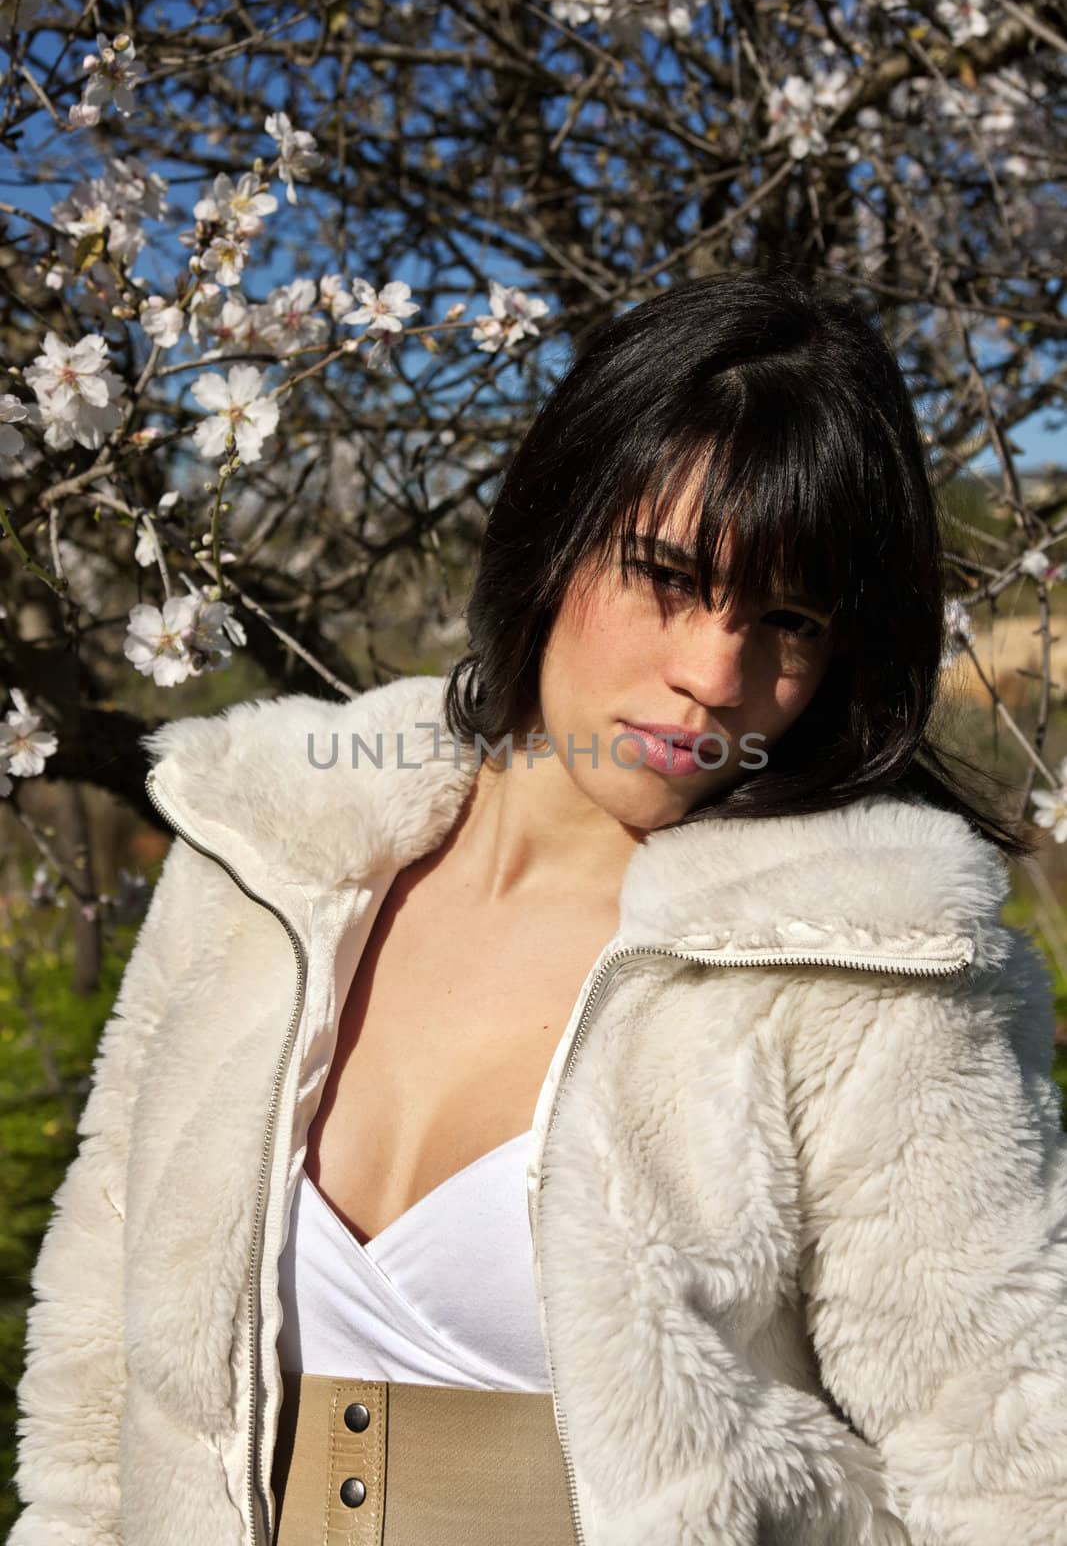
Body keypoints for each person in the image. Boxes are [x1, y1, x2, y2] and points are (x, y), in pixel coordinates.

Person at [11, 268, 1067, 1546]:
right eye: (666, 577)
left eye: (785, 620)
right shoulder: (266, 863)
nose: (712, 675)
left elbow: (1015, 1464)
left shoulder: (858, 968)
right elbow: (93, 1379)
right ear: (554, 532)